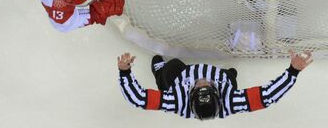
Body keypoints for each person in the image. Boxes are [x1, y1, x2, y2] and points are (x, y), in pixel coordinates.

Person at [117, 50, 313, 120]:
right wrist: (293, 71)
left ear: (190, 95)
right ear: (219, 95)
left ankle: (159, 73)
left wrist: (124, 71)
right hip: (222, 81)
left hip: (181, 76)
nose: (202, 80)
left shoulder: (176, 101)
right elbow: (268, 96)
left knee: (172, 67)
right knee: (230, 78)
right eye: (207, 86)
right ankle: (229, 76)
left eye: (198, 86)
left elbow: (138, 99)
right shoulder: (231, 101)